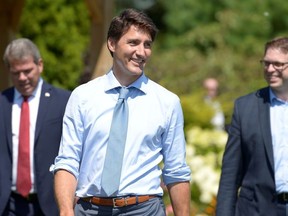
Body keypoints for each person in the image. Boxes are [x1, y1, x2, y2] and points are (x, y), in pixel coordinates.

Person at [51, 8, 191, 216]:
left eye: (147, 45)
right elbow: (68, 160)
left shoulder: (167, 102)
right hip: (90, 209)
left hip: (145, 209)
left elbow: (176, 171)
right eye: (133, 42)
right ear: (112, 44)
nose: (142, 52)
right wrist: (65, 210)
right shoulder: (82, 97)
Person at [216, 36, 288, 216]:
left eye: (278, 64)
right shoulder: (245, 107)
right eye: (266, 63)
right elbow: (230, 175)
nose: (270, 69)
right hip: (256, 210)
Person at [0, 38, 71, 215]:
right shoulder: (2, 103)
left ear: (40, 65)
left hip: (49, 204)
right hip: (8, 205)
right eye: (16, 73)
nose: (22, 78)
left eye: (27, 71)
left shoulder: (63, 101)